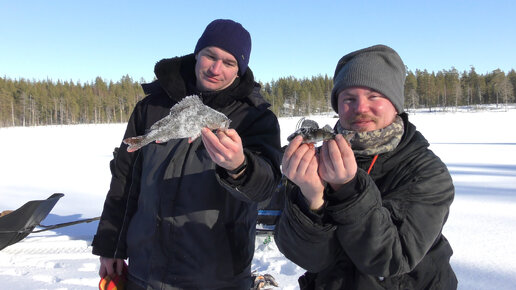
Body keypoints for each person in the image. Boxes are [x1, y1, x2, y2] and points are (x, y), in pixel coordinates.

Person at [92, 19, 282, 289]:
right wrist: (111, 244)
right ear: (197, 54)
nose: (216, 69)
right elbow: (124, 179)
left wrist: (240, 167)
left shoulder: (255, 118)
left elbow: (265, 188)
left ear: (239, 71)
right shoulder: (152, 107)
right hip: (144, 273)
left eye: (229, 63)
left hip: (217, 277)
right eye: (210, 56)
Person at [275, 45, 457, 289]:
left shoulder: (426, 172)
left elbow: (391, 259)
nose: (360, 108)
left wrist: (347, 189)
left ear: (395, 104)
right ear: (338, 106)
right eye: (349, 99)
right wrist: (311, 197)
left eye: (374, 96)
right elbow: (307, 257)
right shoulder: (316, 159)